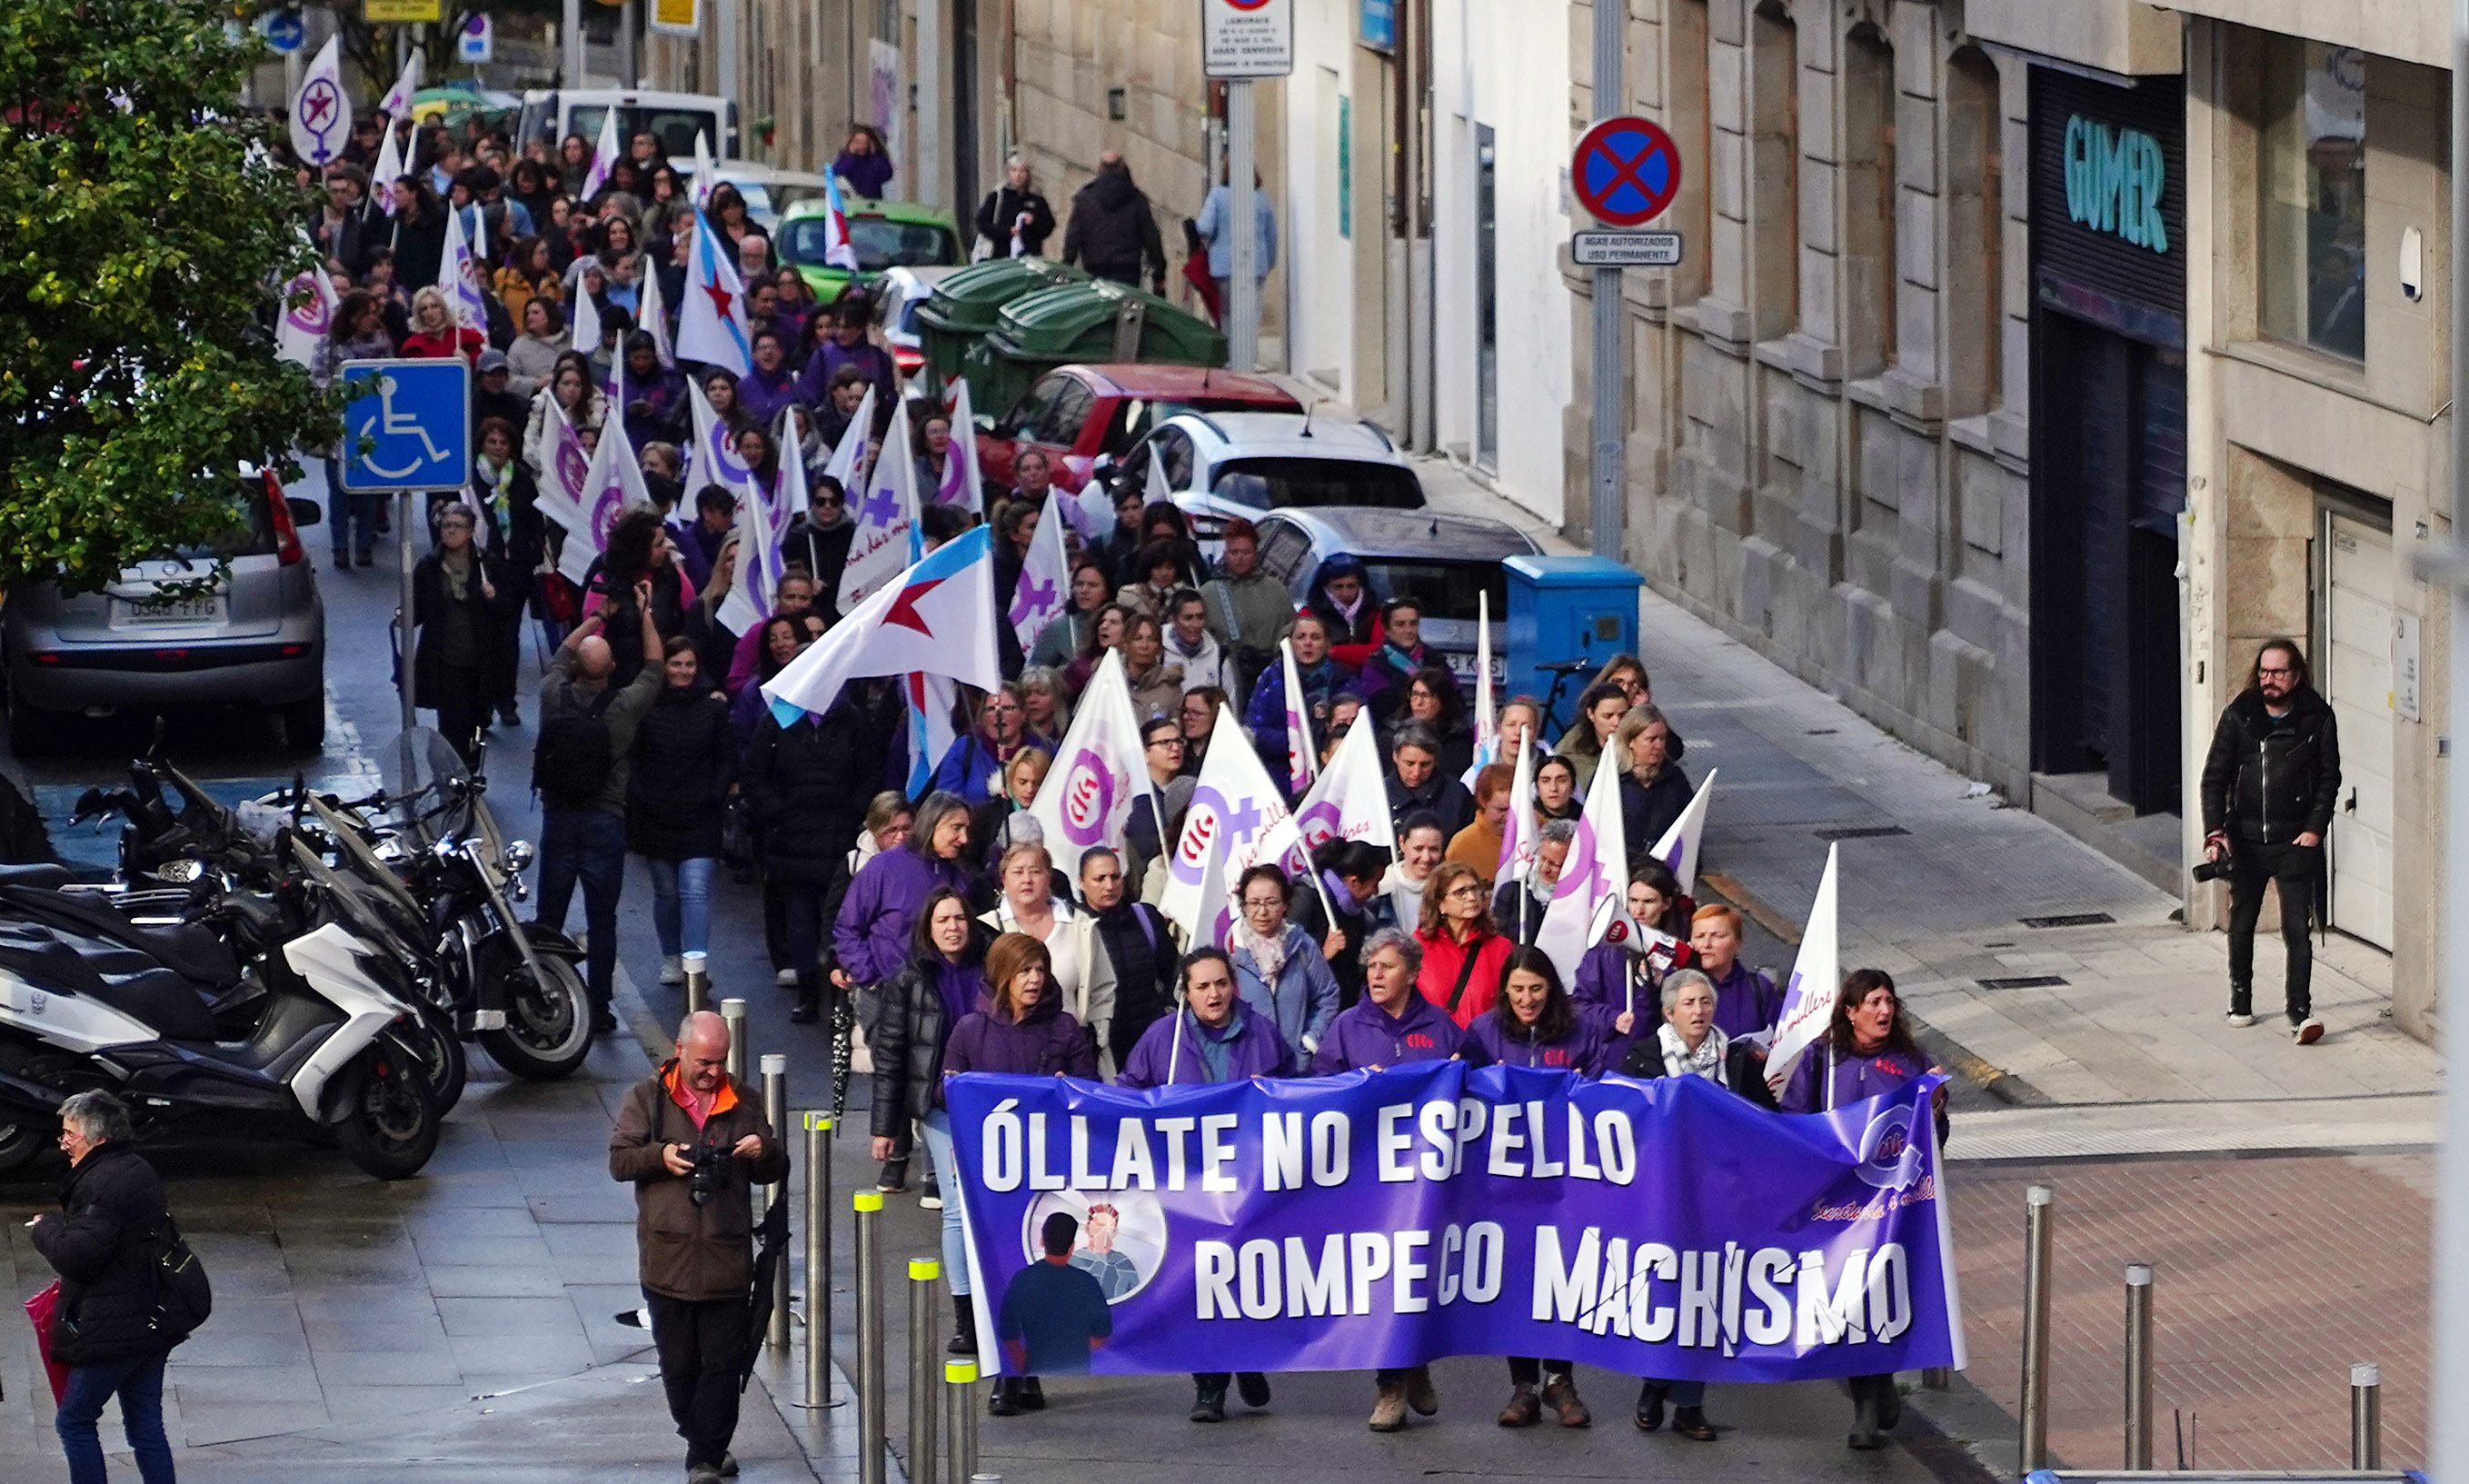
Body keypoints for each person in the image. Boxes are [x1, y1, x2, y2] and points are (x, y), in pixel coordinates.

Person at [608, 1011, 788, 1484]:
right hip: (667, 1262)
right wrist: (660, 1156)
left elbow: (775, 1167)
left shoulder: (743, 1101)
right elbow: (620, 1161)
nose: (713, 1072)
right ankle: (703, 1437)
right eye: (705, 1062)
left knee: (724, 1366)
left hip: (727, 1261)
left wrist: (762, 1150)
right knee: (679, 1370)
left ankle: (705, 1457)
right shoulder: (646, 1099)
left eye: (721, 1062)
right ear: (680, 1051)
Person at [1776, 969, 1947, 1451]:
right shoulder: (1823, 1061)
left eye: (1888, 1000)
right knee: (1847, 1303)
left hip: (1894, 1206)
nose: (1883, 1010)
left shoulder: (1910, 1063)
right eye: (1872, 1001)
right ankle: (1868, 1404)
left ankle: (1878, 1389)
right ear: (1850, 1011)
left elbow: (1934, 1140)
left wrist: (1934, 1109)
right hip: (1839, 1207)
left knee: (1883, 1299)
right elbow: (1795, 1122)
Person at [1114, 947, 1287, 1422]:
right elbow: (1128, 1090)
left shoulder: (1262, 1034)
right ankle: (1209, 1385)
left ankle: (1245, 1356)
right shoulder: (1163, 1038)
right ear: (1185, 993)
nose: (1214, 994)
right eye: (1202, 986)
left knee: (1245, 1277)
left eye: (1221, 984)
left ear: (1234, 984)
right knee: (1196, 1282)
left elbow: (1297, 1089)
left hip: (1248, 1179)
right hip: (1186, 1185)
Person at [1310, 929, 1470, 1430]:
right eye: (1370, 967)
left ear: (1412, 973)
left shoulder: (1442, 1027)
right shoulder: (1347, 1027)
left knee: (1419, 1276)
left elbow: (1474, 1086)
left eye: (1386, 967)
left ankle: (1414, 1360)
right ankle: (1392, 1385)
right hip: (1369, 1180)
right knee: (1382, 1279)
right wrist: (1358, 1086)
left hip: (1427, 1182)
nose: (1375, 975)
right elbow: (1318, 1091)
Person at [944, 931, 1100, 1414]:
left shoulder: (1065, 1029)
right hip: (994, 1176)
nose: (1034, 980)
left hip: (1049, 1172)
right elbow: (943, 1094)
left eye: (1040, 969)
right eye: (1024, 971)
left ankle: (1030, 1371)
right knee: (1001, 1270)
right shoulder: (971, 1030)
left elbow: (1091, 1091)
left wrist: (1067, 1090)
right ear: (1002, 976)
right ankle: (1008, 1373)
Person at [1617, 967, 1762, 1442]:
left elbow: (1769, 1123)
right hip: (1661, 1200)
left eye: (1705, 1002)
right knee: (1666, 1294)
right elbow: (1621, 1122)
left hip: (1719, 1201)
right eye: (1688, 1004)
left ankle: (1689, 1405)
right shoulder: (1642, 1059)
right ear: (1667, 1012)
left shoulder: (1739, 1061)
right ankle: (1655, 1383)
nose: (1698, 1011)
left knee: (1703, 1297)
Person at [1463, 948, 1601, 1428]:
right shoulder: (1484, 1030)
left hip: (1565, 1181)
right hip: (1505, 1182)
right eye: (1518, 989)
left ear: (1553, 989)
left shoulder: (1582, 1030)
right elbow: (1458, 1086)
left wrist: (1591, 1088)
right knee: (1517, 1277)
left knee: (1562, 1276)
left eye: (1537, 989)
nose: (1527, 999)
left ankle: (1560, 1381)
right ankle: (1523, 1386)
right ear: (1505, 989)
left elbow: (1607, 1092)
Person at [32, 1091, 180, 1484]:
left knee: (75, 1421)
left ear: (98, 1139)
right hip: (151, 1318)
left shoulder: (100, 1185)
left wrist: (45, 1228)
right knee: (146, 1425)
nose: (64, 1144)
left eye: (70, 1135)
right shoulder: (136, 1168)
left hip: (113, 1327)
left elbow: (78, 1255)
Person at [2198, 638, 2339, 1042]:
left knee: (2298, 928)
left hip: (2294, 840)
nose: (2269, 680)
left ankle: (2300, 1013)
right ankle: (2240, 1002)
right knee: (2242, 923)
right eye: (2263, 672)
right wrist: (2215, 833)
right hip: (2244, 839)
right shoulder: (2239, 716)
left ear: (2295, 676)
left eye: (2278, 672)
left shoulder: (2317, 718)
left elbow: (2329, 779)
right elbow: (2214, 778)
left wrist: (2315, 828)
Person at [534, 603, 664, 1035]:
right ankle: (600, 1005)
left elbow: (560, 654)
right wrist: (643, 614)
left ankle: (545, 992)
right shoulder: (624, 705)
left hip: (558, 818)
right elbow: (654, 667)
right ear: (611, 667)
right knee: (601, 918)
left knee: (549, 916)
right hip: (604, 821)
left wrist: (598, 615)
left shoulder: (554, 694)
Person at [870, 887, 994, 1294]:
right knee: (957, 1209)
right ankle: (963, 1304)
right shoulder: (907, 979)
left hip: (995, 1103)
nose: (953, 928)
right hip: (941, 1107)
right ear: (928, 927)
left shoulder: (992, 964)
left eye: (959, 918)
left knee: (993, 1206)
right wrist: (885, 1129)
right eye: (942, 920)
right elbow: (890, 1056)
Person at [626, 637, 734, 989]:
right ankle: (671, 957)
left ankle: (697, 962)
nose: (683, 671)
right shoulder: (646, 710)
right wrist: (644, 798)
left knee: (695, 888)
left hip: (701, 817)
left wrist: (713, 795)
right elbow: (634, 760)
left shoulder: (713, 711)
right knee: (667, 892)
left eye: (689, 664)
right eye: (676, 664)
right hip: (656, 817)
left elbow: (726, 758)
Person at [981, 840, 1117, 1072]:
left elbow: (1103, 987)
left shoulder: (1080, 925)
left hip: (1073, 1051)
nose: (1027, 880)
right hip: (1010, 1053)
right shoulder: (987, 929)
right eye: (1018, 872)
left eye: (1035, 871)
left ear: (1049, 877)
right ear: (1003, 879)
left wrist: (1096, 1035)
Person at [411, 504, 519, 764]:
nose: (450, 530)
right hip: (446, 661)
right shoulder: (429, 567)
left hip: (480, 662)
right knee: (450, 726)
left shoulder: (487, 565)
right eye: (446, 525)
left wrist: (493, 599)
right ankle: (452, 778)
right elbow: (417, 611)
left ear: (470, 532)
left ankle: (470, 774)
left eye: (457, 526)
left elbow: (508, 610)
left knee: (476, 724)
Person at [993, 1211, 1111, 1409]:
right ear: (1072, 1248)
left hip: (1031, 1357)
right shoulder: (1087, 1283)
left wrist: (1022, 1362)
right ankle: (1026, 1383)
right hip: (1076, 1361)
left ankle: (1015, 1383)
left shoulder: (1022, 1279)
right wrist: (1072, 1348)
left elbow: (1007, 1331)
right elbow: (1102, 1332)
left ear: (1041, 1240)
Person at [1071, 847, 1176, 1068]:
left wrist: (1168, 1012)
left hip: (1153, 1042)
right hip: (1105, 1049)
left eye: (1115, 877)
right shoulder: (1073, 929)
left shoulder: (1145, 918)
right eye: (1099, 879)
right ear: (1081, 882)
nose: (1109, 886)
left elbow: (1172, 971)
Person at [313, 290, 394, 567]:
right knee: (338, 490)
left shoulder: (383, 344)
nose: (374, 318)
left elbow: (391, 378)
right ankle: (339, 548)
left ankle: (363, 545)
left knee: (368, 491)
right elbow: (318, 379)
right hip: (338, 426)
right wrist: (345, 392)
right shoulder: (330, 343)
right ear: (353, 316)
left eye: (376, 312)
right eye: (368, 312)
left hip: (371, 426)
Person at [1228, 865, 1342, 1055]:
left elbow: (1328, 995)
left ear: (1285, 905)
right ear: (1243, 905)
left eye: (1271, 902)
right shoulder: (1229, 948)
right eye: (1254, 903)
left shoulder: (1302, 944)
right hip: (1247, 1066)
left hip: (1296, 1066)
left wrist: (1310, 1041)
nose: (1262, 911)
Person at [1244, 612, 1355, 782]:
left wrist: (1324, 743)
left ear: (1327, 644)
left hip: (1332, 774)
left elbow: (1361, 728)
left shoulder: (1343, 678)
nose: (1308, 643)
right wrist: (1296, 742)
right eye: (1301, 637)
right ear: (1290, 642)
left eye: (1315, 637)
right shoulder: (1271, 677)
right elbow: (1254, 730)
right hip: (1278, 775)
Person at [1060, 152, 1166, 292]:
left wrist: (1066, 267)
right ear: (1123, 168)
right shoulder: (1136, 199)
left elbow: (1072, 238)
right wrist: (1159, 272)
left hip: (1093, 269)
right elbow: (1151, 237)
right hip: (1128, 270)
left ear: (1100, 168)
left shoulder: (1085, 199)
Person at [1688, 903, 1781, 1041]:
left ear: (1738, 944)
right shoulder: (1676, 985)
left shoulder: (1758, 988)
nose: (1706, 944)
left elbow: (1782, 1038)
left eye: (1717, 936)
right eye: (1700, 936)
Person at [1617, 704, 1695, 865]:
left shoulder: (1675, 779)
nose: (1659, 746)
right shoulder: (1614, 779)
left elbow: (1689, 824)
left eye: (1662, 739)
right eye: (1651, 740)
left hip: (1663, 869)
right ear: (1631, 741)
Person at [1193, 168, 1277, 318]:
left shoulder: (1217, 195)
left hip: (1224, 266)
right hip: (1256, 266)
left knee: (1227, 316)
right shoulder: (1262, 199)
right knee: (1252, 316)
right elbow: (1271, 236)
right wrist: (1268, 262)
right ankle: (1249, 341)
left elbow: (1204, 227)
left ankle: (1231, 341)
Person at [933, 684, 1031, 807]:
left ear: (1023, 714)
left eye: (1007, 708)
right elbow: (945, 804)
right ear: (982, 716)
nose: (998, 715)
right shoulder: (964, 748)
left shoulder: (1042, 747)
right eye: (991, 709)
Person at [779, 474, 856, 621]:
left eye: (833, 501)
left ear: (842, 504)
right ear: (812, 504)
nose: (827, 506)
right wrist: (806, 583)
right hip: (808, 615)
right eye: (821, 501)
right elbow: (784, 573)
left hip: (848, 613)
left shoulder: (854, 535)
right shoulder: (798, 536)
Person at [1386, 722, 1476, 839]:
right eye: (1409, 763)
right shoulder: (1379, 795)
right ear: (1395, 756)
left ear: (1436, 761)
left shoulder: (1457, 795)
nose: (1416, 772)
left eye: (1425, 764)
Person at [1492, 819, 1573, 946]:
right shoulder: (1511, 893)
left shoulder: (1579, 899)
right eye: (1543, 858)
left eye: (1554, 864)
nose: (1544, 868)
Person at [1354, 598, 1437, 721]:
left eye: (1413, 623)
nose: (1409, 630)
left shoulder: (1435, 658)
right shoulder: (1376, 664)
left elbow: (1454, 699)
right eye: (1400, 624)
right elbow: (1380, 708)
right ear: (1386, 629)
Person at [1030, 559, 1111, 669]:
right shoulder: (1058, 628)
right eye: (1079, 584)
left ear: (1106, 591)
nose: (1084, 590)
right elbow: (1034, 671)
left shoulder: (1119, 623)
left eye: (1092, 585)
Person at [975, 154, 1056, 257]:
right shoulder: (997, 197)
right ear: (1008, 174)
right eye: (1014, 170)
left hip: (1029, 256)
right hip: (1000, 255)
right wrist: (1007, 231)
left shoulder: (1036, 199)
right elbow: (982, 222)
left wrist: (1033, 222)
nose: (1018, 175)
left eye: (1022, 171)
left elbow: (1048, 225)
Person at [1559, 682, 1630, 795]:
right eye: (1608, 716)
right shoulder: (1573, 749)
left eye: (1622, 716)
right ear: (1591, 714)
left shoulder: (1637, 745)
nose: (1617, 723)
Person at [1447, 763, 1514, 880]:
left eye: (1514, 811)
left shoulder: (1535, 835)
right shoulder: (1462, 845)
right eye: (1501, 810)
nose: (1509, 818)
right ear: (1483, 801)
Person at [1383, 812, 1447, 927]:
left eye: (1433, 849)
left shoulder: (1448, 888)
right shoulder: (1383, 889)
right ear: (1402, 843)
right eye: (1418, 849)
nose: (1426, 858)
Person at [1304, 555, 1378, 652]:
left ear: (1361, 587)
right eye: (1338, 587)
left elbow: (1378, 651)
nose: (1345, 593)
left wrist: (1334, 652)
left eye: (1351, 586)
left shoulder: (1374, 615)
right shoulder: (1309, 615)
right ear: (1325, 588)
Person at [833, 124, 895, 199]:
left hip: (872, 200)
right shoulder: (846, 156)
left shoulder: (876, 158)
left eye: (865, 142)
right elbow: (837, 172)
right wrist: (851, 155)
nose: (862, 146)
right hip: (850, 199)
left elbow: (886, 175)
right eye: (858, 142)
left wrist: (874, 154)